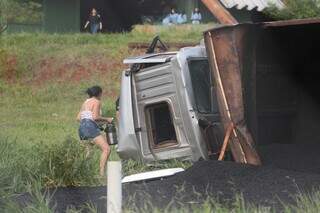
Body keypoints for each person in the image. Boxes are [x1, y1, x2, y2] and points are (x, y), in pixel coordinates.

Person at [77, 86, 113, 176]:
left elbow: (78, 118)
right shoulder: (97, 102)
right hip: (90, 127)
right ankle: (102, 174)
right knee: (106, 149)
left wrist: (97, 124)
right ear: (99, 93)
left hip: (81, 128)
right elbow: (95, 117)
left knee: (89, 152)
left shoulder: (85, 102)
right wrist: (107, 119)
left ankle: (83, 172)